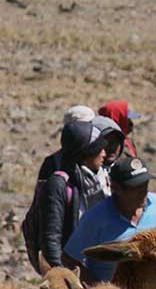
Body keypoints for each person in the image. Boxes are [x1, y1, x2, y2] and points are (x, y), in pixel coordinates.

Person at [63, 156, 156, 283]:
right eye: (136, 187)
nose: (144, 192)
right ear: (116, 188)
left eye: (145, 185)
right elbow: (69, 259)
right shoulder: (95, 218)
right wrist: (98, 287)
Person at [28, 116, 115, 271]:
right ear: (86, 152)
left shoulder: (99, 180)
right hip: (71, 269)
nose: (104, 154)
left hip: (95, 265)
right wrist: (62, 274)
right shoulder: (59, 185)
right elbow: (51, 238)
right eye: (98, 149)